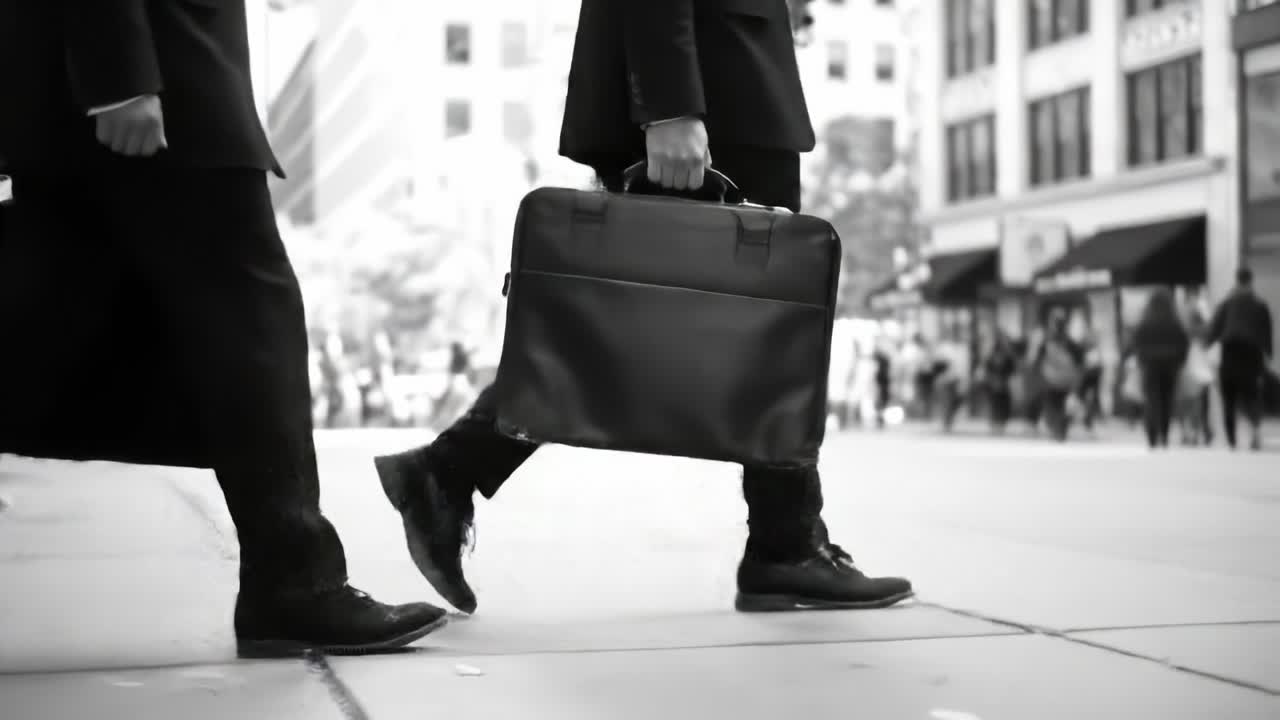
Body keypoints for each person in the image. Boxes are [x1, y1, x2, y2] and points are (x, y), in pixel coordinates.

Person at [375, 0, 913, 615]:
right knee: (738, 320)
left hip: (723, 73)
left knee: (650, 324)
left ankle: (784, 539)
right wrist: (669, 105)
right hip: (710, 83)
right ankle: (785, 544)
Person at [0, 1, 446, 653]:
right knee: (250, 317)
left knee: (60, 306)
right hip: (159, 72)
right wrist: (118, 75)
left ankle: (292, 582)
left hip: (122, 74)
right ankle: (294, 583)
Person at [1208, 268, 1273, 451]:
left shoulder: (1226, 304)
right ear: (1251, 282)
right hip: (1252, 355)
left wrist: (1208, 345)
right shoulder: (1260, 305)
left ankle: (1232, 440)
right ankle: (1254, 431)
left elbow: (1214, 330)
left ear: (1236, 281)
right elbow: (1266, 332)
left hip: (1230, 353)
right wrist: (1268, 355)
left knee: (1229, 397)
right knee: (1251, 395)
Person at [1132, 289, 1191, 449]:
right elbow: (1184, 343)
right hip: (1170, 365)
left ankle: (1152, 434)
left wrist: (1141, 360)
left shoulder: (1145, 322)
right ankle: (1164, 435)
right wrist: (1180, 361)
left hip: (1150, 365)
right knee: (1166, 400)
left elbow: (1137, 343)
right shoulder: (1174, 323)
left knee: (1152, 399)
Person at [1033, 311, 1083, 441]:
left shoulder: (1047, 342)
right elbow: (1079, 363)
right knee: (1059, 407)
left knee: (1053, 407)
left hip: (1052, 381)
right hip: (1063, 381)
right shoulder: (1071, 344)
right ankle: (1059, 430)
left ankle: (1058, 429)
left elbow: (1037, 361)